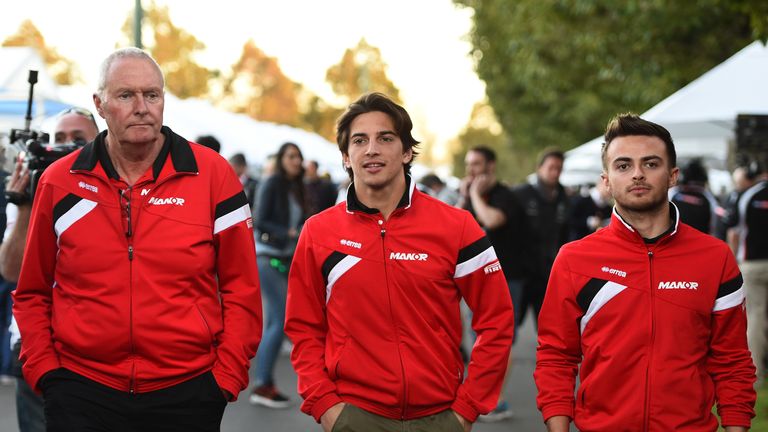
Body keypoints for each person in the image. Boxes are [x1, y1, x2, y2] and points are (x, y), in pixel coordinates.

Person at [12, 47, 262, 432]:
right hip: (81, 390)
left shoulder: (213, 175)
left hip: (188, 391)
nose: (142, 107)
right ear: (100, 104)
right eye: (126, 95)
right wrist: (46, 371)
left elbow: (242, 289)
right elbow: (32, 291)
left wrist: (225, 378)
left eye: (152, 94)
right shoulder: (60, 181)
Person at [285, 93, 514, 432]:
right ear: (346, 157)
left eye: (385, 138)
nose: (371, 149)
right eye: (359, 140)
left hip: (441, 416)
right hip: (354, 416)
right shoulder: (319, 232)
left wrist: (467, 408)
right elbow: (303, 327)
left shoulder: (458, 226)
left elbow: (496, 321)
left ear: (407, 151)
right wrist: (325, 404)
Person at [534, 113, 756, 431]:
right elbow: (556, 356)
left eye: (651, 164)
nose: (637, 174)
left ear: (673, 175)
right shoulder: (574, 259)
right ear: (607, 180)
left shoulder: (716, 257)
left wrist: (736, 426)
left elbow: (732, 359)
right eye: (623, 166)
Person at [0, 106, 100, 432]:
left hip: (97, 348)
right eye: (58, 139)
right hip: (37, 343)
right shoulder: (33, 184)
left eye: (77, 139)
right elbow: (11, 271)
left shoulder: (115, 188)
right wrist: (25, 204)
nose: (65, 146)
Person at [457, 145, 529, 422]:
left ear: (490, 166)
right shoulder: (472, 196)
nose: (470, 170)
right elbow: (453, 226)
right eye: (468, 164)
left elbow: (491, 220)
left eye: (475, 164)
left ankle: (495, 400)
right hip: (476, 279)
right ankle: (480, 395)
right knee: (478, 339)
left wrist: (474, 194)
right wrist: (467, 196)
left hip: (508, 277)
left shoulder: (504, 196)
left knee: (500, 340)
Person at [249, 142, 307, 408]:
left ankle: (264, 383)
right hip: (267, 255)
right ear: (282, 159)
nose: (296, 161)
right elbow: (260, 220)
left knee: (276, 320)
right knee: (279, 319)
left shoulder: (296, 188)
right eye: (291, 156)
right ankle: (261, 384)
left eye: (298, 157)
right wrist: (289, 232)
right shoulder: (272, 183)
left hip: (284, 257)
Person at [513, 148, 570, 326]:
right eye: (551, 167)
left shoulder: (564, 198)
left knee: (549, 327)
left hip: (549, 275)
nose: (555, 172)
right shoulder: (521, 194)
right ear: (539, 168)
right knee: (509, 327)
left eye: (559, 168)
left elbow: (565, 235)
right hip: (521, 274)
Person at [725, 159, 768, 384]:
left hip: (752, 263)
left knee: (755, 317)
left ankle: (757, 373)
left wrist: (733, 263)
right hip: (753, 263)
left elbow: (734, 230)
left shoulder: (747, 195)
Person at [668, 158, 722, 235]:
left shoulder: (673, 193)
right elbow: (714, 225)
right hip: (701, 242)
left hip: (675, 242)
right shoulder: (707, 197)